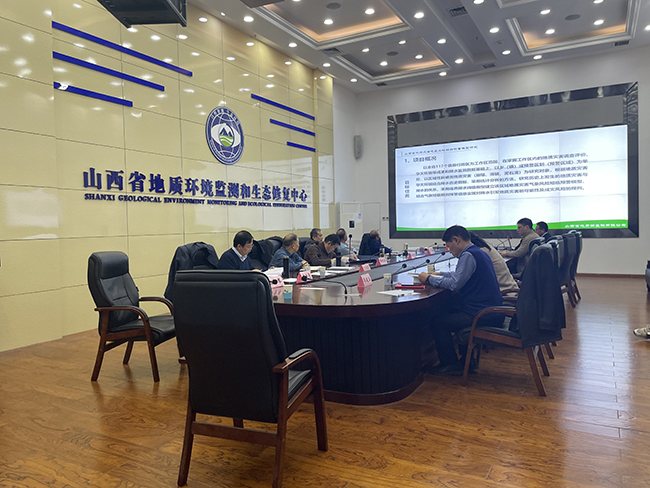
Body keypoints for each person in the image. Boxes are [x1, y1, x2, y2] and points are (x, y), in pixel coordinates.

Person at [418, 225, 503, 375]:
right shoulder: (478, 252)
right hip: (490, 310)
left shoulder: (468, 255)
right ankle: (467, 360)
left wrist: (429, 279)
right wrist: (440, 274)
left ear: (456, 240)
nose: (449, 250)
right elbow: (460, 276)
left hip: (483, 314)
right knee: (451, 309)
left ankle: (450, 364)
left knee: (438, 322)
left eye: (448, 245)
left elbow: (455, 284)